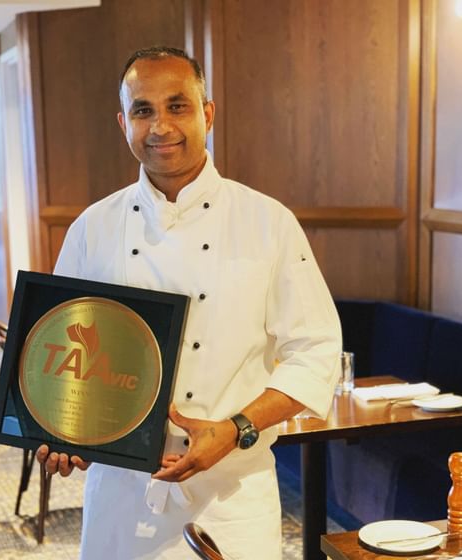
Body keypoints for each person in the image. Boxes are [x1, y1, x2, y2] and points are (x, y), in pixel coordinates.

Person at [37, 46, 342, 559]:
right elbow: (59, 352)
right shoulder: (94, 227)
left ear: (208, 113)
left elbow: (315, 351)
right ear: (123, 122)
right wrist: (65, 433)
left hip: (231, 498)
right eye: (143, 110)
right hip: (121, 496)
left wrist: (235, 429)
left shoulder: (267, 222)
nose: (160, 126)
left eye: (177, 106)